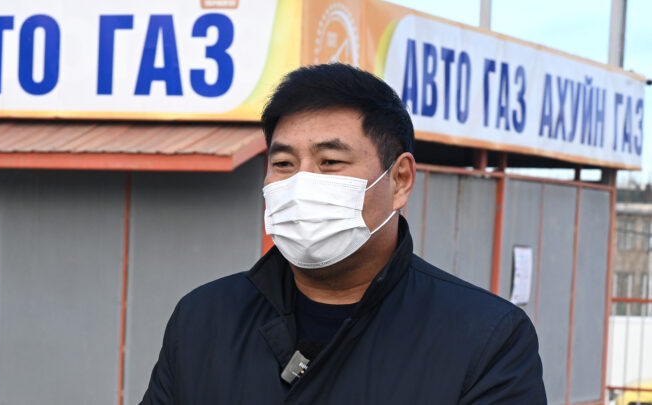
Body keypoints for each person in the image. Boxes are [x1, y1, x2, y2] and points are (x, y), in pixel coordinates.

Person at [140, 63, 547, 404]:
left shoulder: (486, 339)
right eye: (283, 164)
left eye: (330, 161)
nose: (300, 183)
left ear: (400, 180)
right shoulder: (204, 318)